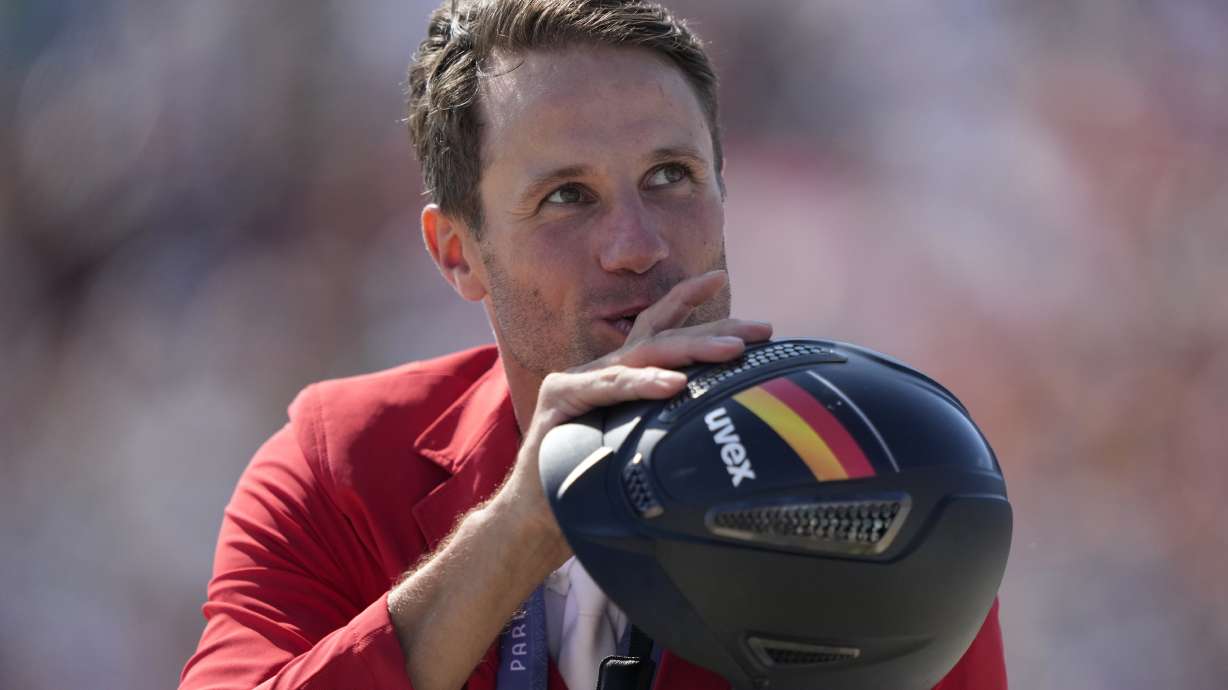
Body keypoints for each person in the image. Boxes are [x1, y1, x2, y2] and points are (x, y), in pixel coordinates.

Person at [178, 1, 1007, 689]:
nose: (636, 245)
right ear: (457, 252)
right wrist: (522, 524)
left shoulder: (876, 466)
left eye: (671, 176)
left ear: (724, 189)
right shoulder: (339, 464)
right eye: (568, 196)